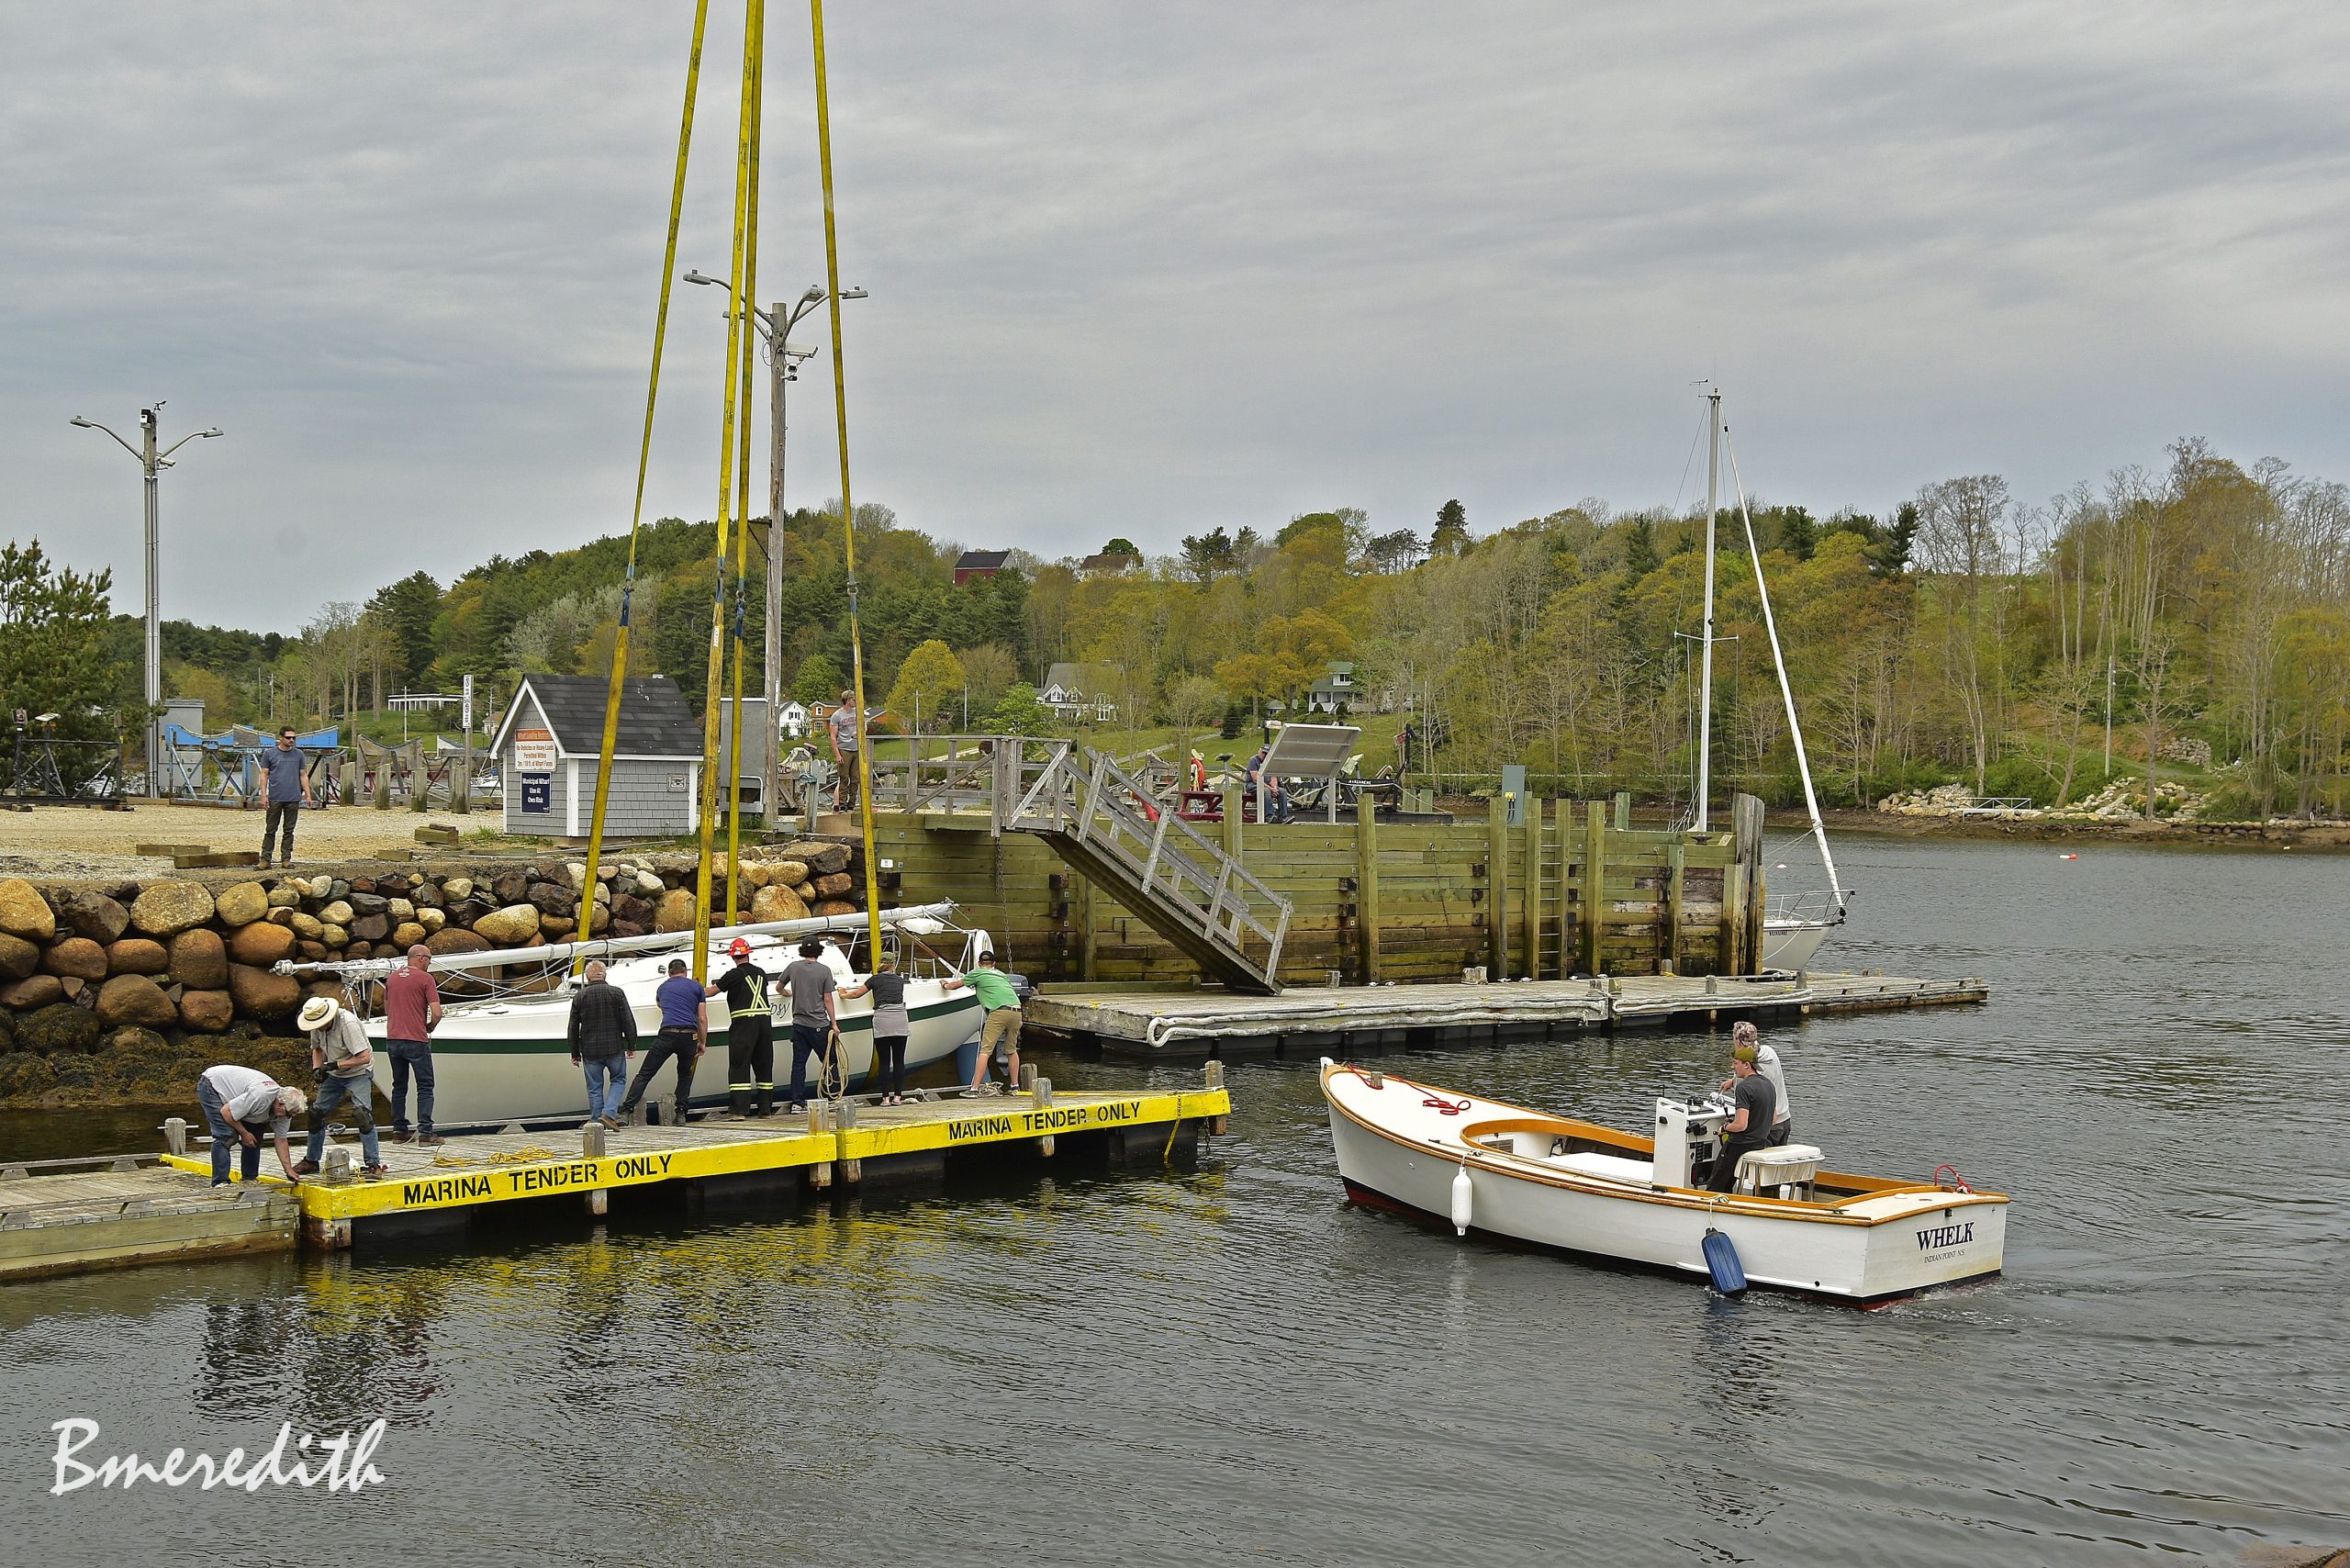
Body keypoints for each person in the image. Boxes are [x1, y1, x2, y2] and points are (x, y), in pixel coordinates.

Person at [295, 996, 385, 1180]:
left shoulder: (348, 1023)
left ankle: (373, 1164)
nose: (318, 1027)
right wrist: (317, 1069)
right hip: (335, 1073)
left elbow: (364, 1057)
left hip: (358, 1071)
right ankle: (311, 1160)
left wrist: (335, 1065)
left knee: (362, 1115)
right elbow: (317, 1049)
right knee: (315, 1113)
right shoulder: (315, 1024)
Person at [614, 958, 706, 1126]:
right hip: (689, 1036)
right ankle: (680, 1114)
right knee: (684, 1075)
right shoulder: (697, 987)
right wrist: (702, 1042)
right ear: (685, 972)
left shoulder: (662, 988)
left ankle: (625, 1112)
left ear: (669, 974)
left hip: (667, 1034)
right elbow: (701, 1018)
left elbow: (661, 1005)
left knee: (645, 1074)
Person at [196, 1064, 306, 1186]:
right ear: (280, 1104)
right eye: (288, 1114)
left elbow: (281, 1139)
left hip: (241, 1099)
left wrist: (288, 1169)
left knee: (254, 1138)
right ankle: (220, 1182)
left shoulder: (287, 1108)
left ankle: (249, 1179)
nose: (288, 1118)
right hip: (212, 1084)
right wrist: (244, 1133)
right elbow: (226, 1112)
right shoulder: (260, 1096)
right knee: (226, 1136)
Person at [707, 937, 777, 1116]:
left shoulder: (733, 975)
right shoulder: (761, 973)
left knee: (739, 1065)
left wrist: (693, 988)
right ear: (748, 954)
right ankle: (766, 1109)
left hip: (744, 1024)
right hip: (765, 1023)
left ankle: (739, 1110)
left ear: (733, 957)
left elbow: (711, 992)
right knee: (764, 1065)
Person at [382, 944, 442, 1147]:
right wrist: (430, 1027)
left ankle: (399, 1131)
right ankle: (425, 1133)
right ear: (421, 958)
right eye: (429, 959)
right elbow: (437, 1012)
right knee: (425, 1086)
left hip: (393, 1039)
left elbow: (387, 1008)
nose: (430, 964)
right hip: (416, 1039)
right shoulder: (426, 979)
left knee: (399, 1086)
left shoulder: (391, 979)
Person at [566, 958, 637, 1126]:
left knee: (594, 1087)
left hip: (590, 1050)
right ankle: (609, 1113)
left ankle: (596, 1120)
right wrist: (631, 1045)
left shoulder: (580, 996)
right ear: (604, 975)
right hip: (614, 1047)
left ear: (587, 977)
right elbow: (628, 1021)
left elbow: (573, 1028)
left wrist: (575, 1053)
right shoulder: (617, 993)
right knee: (618, 1080)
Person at [944, 950, 1023, 1095]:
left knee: (985, 1051)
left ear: (979, 964)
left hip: (999, 1012)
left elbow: (953, 986)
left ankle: (974, 1088)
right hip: (1017, 1011)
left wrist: (944, 984)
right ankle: (1015, 1086)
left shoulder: (977, 973)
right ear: (994, 964)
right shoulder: (1001, 975)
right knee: (1011, 1050)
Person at [1706, 1042, 1779, 1193]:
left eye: (1735, 1063)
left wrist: (1724, 1127)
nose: (1733, 1067)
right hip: (1761, 1143)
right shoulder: (1769, 1085)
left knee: (1716, 1185)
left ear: (1746, 1065)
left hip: (1740, 1145)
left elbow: (1741, 1125)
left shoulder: (1744, 1087)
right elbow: (1773, 1119)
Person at [840, 954, 911, 1105]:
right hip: (900, 1020)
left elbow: (856, 994)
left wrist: (842, 994)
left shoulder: (874, 980)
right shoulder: (900, 980)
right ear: (893, 965)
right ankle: (897, 1097)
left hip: (882, 1020)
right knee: (899, 1061)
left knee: (884, 1062)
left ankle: (885, 1098)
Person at [779, 939, 840, 1112]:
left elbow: (779, 987)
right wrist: (834, 1024)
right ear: (819, 951)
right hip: (819, 1024)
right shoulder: (824, 971)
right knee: (831, 1061)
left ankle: (797, 1102)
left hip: (798, 1024)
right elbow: (827, 999)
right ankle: (832, 1098)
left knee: (798, 1064)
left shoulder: (793, 967)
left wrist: (788, 993)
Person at [1718, 1020, 1794, 1147]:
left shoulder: (1751, 1068)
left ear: (1737, 1040)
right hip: (1784, 1120)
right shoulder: (1769, 1052)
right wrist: (1733, 1081)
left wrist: (1727, 1127)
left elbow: (1765, 1107)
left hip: (1768, 1127)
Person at [259, 726, 313, 868]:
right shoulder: (269, 754)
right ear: (281, 738)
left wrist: (308, 795)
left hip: (293, 798)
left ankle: (286, 859)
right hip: (275, 797)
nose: (291, 740)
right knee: (271, 829)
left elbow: (303, 775)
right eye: (288, 737)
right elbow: (264, 774)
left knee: (289, 830)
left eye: (293, 738)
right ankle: (265, 859)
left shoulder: (299, 755)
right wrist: (263, 795)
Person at [1244, 745, 1289, 824]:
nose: (1264, 755)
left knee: (1282, 791)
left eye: (1266, 753)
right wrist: (1270, 788)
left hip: (1267, 785)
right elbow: (1255, 779)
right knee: (1266, 791)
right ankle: (1269, 816)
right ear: (1260, 751)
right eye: (1263, 752)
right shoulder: (1253, 760)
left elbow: (1273, 777)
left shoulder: (1270, 762)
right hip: (1252, 785)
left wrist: (1274, 787)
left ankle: (1283, 817)